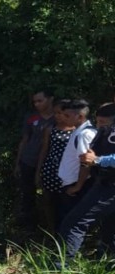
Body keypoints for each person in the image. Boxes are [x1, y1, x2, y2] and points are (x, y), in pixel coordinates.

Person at [57, 103, 115, 267]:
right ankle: (106, 271)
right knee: (110, 230)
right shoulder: (106, 130)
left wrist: (97, 160)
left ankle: (60, 271)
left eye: (103, 122)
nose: (99, 126)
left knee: (73, 224)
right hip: (103, 181)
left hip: (109, 186)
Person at [14, 88, 55, 231]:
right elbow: (24, 140)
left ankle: (52, 228)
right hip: (28, 160)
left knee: (49, 197)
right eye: (35, 102)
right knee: (27, 194)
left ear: (50, 99)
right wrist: (18, 162)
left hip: (50, 163)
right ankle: (30, 227)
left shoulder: (60, 117)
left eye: (40, 100)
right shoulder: (32, 118)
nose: (37, 104)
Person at [35, 99, 76, 233]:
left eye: (60, 113)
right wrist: (39, 170)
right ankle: (53, 232)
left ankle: (66, 233)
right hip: (51, 170)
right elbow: (45, 150)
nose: (57, 116)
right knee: (49, 202)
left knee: (67, 204)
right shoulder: (50, 129)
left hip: (69, 173)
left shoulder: (77, 131)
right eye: (55, 113)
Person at [57, 99, 97, 217]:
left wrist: (77, 187)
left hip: (77, 186)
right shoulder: (77, 131)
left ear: (80, 117)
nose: (64, 118)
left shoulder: (84, 134)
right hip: (71, 183)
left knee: (72, 221)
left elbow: (85, 162)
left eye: (67, 115)